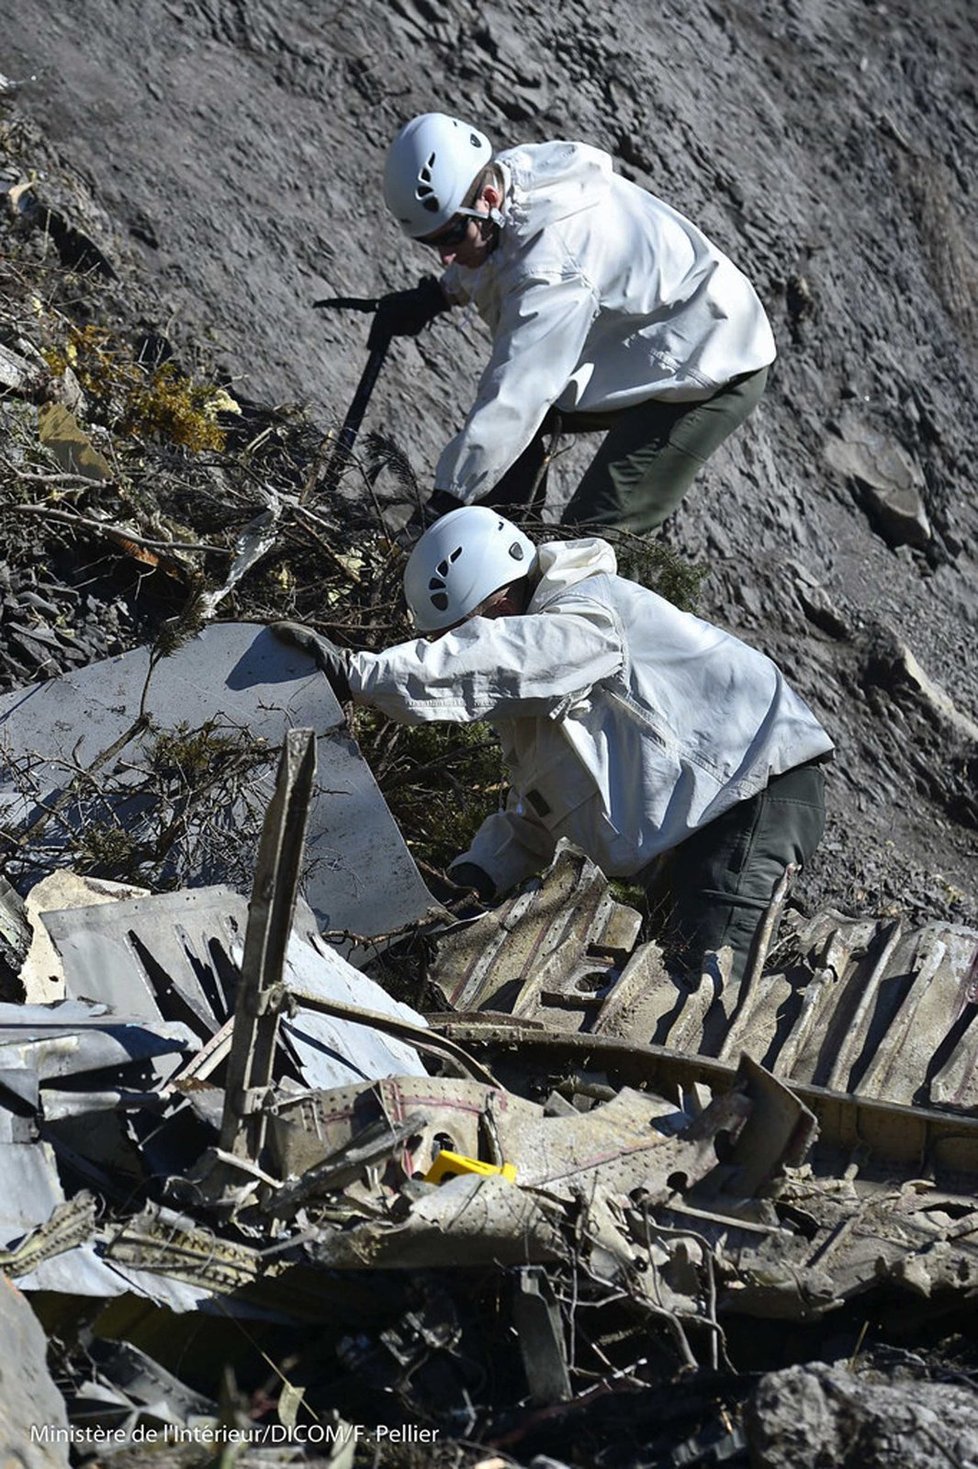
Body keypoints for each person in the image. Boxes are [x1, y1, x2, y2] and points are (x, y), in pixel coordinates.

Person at [273, 507, 832, 984]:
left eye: (465, 629)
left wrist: (360, 675)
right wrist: (476, 875)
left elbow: (505, 656)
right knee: (669, 994)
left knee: (707, 998)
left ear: (498, 599)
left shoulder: (588, 610)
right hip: (704, 832)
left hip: (749, 795)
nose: (461, 644)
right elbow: (538, 816)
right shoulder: (541, 696)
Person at [369, 111, 776, 534]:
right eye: (430, 242)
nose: (445, 257)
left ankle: (565, 588)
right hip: (648, 330)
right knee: (502, 452)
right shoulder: (514, 183)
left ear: (488, 197)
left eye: (450, 238)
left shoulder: (554, 270)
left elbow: (520, 394)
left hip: (711, 355)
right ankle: (504, 552)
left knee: (594, 531)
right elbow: (499, 249)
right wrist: (439, 294)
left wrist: (447, 499)